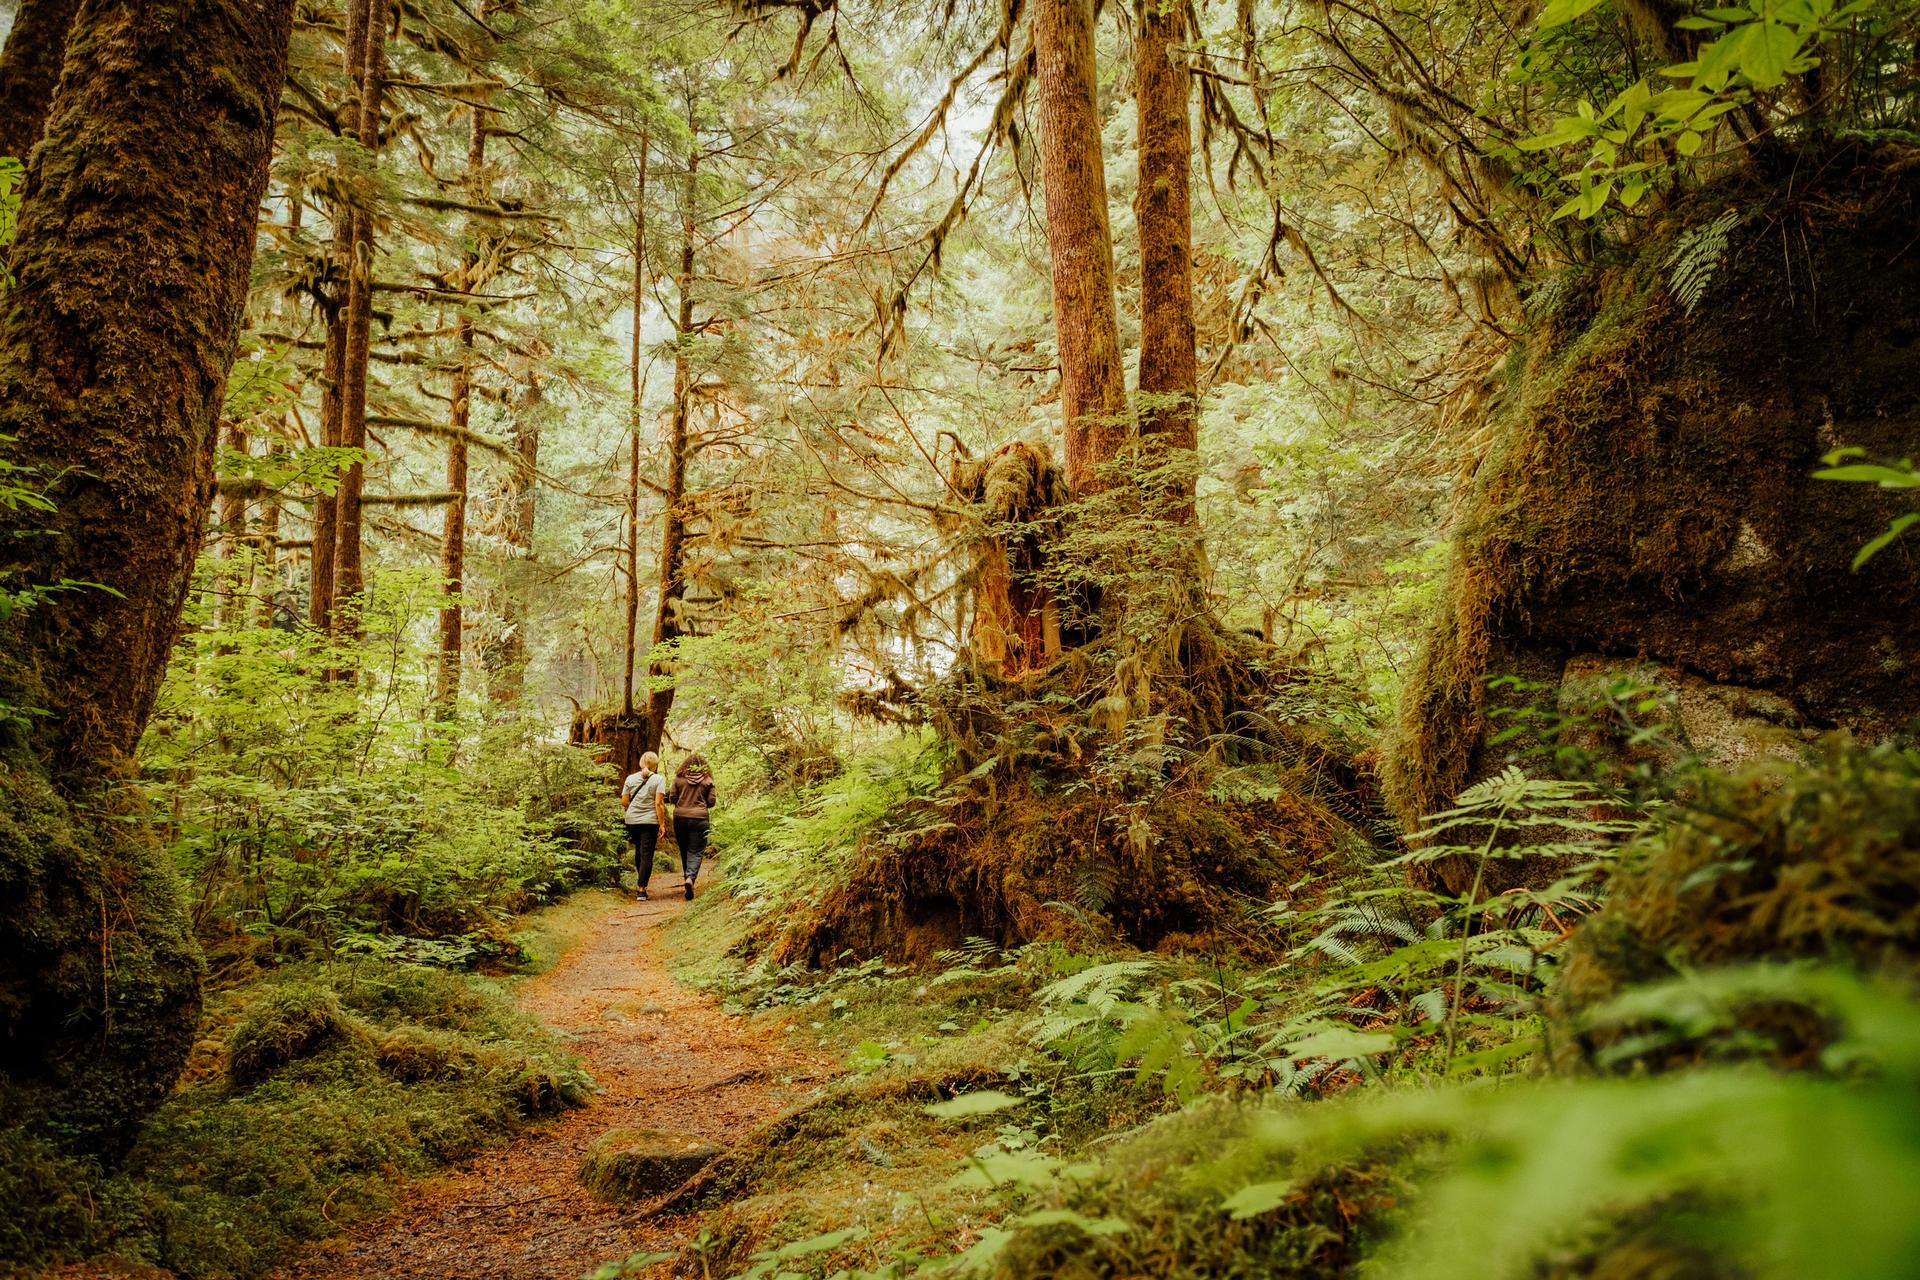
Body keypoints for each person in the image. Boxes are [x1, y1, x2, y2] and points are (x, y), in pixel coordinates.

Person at [668, 752, 716, 899]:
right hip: (700, 819)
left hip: (680, 818)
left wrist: (683, 802)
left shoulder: (678, 780)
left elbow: (672, 798)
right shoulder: (708, 781)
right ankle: (690, 878)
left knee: (684, 849)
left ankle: (687, 878)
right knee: (696, 851)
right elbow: (712, 802)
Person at [619, 750, 666, 901]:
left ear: (641, 763)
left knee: (639, 851)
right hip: (650, 822)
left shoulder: (630, 779)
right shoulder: (659, 779)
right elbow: (658, 803)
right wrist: (662, 824)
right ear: (654, 764)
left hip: (632, 821)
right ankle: (641, 889)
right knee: (647, 854)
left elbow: (624, 802)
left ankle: (640, 883)